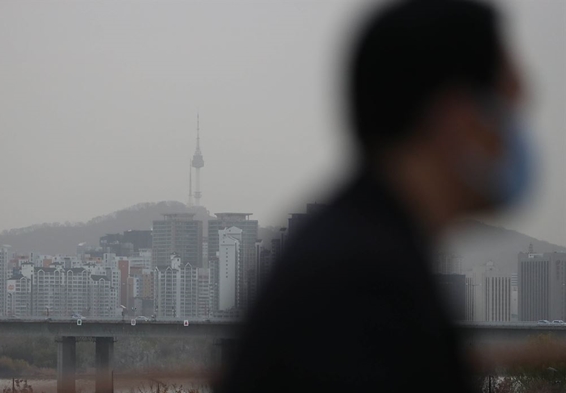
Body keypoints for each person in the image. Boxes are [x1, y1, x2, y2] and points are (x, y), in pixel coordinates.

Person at [213, 0, 530, 392]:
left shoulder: (360, 245)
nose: (520, 135)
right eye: (512, 106)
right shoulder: (365, 288)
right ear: (459, 120)